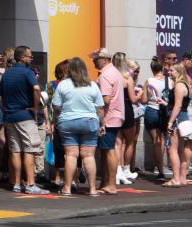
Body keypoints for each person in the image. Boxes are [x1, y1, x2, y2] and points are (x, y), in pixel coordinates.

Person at [52, 57, 105, 196]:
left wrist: (54, 120)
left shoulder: (63, 85)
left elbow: (56, 107)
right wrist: (102, 124)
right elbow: (100, 108)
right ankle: (93, 189)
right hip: (89, 121)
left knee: (71, 155)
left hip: (68, 122)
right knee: (88, 156)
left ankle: (67, 188)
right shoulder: (92, 85)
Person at [0, 46, 47, 195]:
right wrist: (35, 106)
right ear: (22, 58)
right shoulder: (28, 72)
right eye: (29, 57)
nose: (31, 59)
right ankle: (31, 184)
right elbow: (37, 89)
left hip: (10, 116)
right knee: (30, 150)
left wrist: (5, 110)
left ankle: (17, 183)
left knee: (15, 151)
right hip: (25, 116)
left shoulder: (6, 74)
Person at [91, 49, 124, 195]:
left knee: (108, 149)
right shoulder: (114, 72)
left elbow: (105, 100)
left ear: (104, 59)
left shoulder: (105, 75)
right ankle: (106, 182)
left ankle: (111, 184)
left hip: (108, 117)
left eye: (96, 58)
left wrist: (100, 118)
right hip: (114, 115)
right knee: (106, 150)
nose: (93, 61)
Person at [163, 64, 192, 187]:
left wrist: (170, 122)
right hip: (182, 117)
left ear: (179, 71)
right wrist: (165, 103)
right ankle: (182, 178)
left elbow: (178, 105)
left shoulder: (179, 86)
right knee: (180, 149)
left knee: (172, 149)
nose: (169, 72)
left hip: (177, 119)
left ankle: (176, 178)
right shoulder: (184, 85)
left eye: (171, 70)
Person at [143, 57, 171, 179]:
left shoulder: (148, 81)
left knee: (156, 142)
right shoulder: (170, 81)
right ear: (162, 68)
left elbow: (144, 100)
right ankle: (161, 167)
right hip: (164, 111)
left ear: (152, 69)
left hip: (151, 110)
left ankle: (159, 169)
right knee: (163, 141)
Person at [117, 57, 141, 185]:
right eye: (134, 69)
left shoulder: (114, 77)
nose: (135, 72)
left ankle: (118, 170)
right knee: (130, 141)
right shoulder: (128, 79)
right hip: (127, 109)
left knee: (118, 143)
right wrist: (140, 94)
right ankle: (125, 169)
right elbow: (133, 99)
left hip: (116, 110)